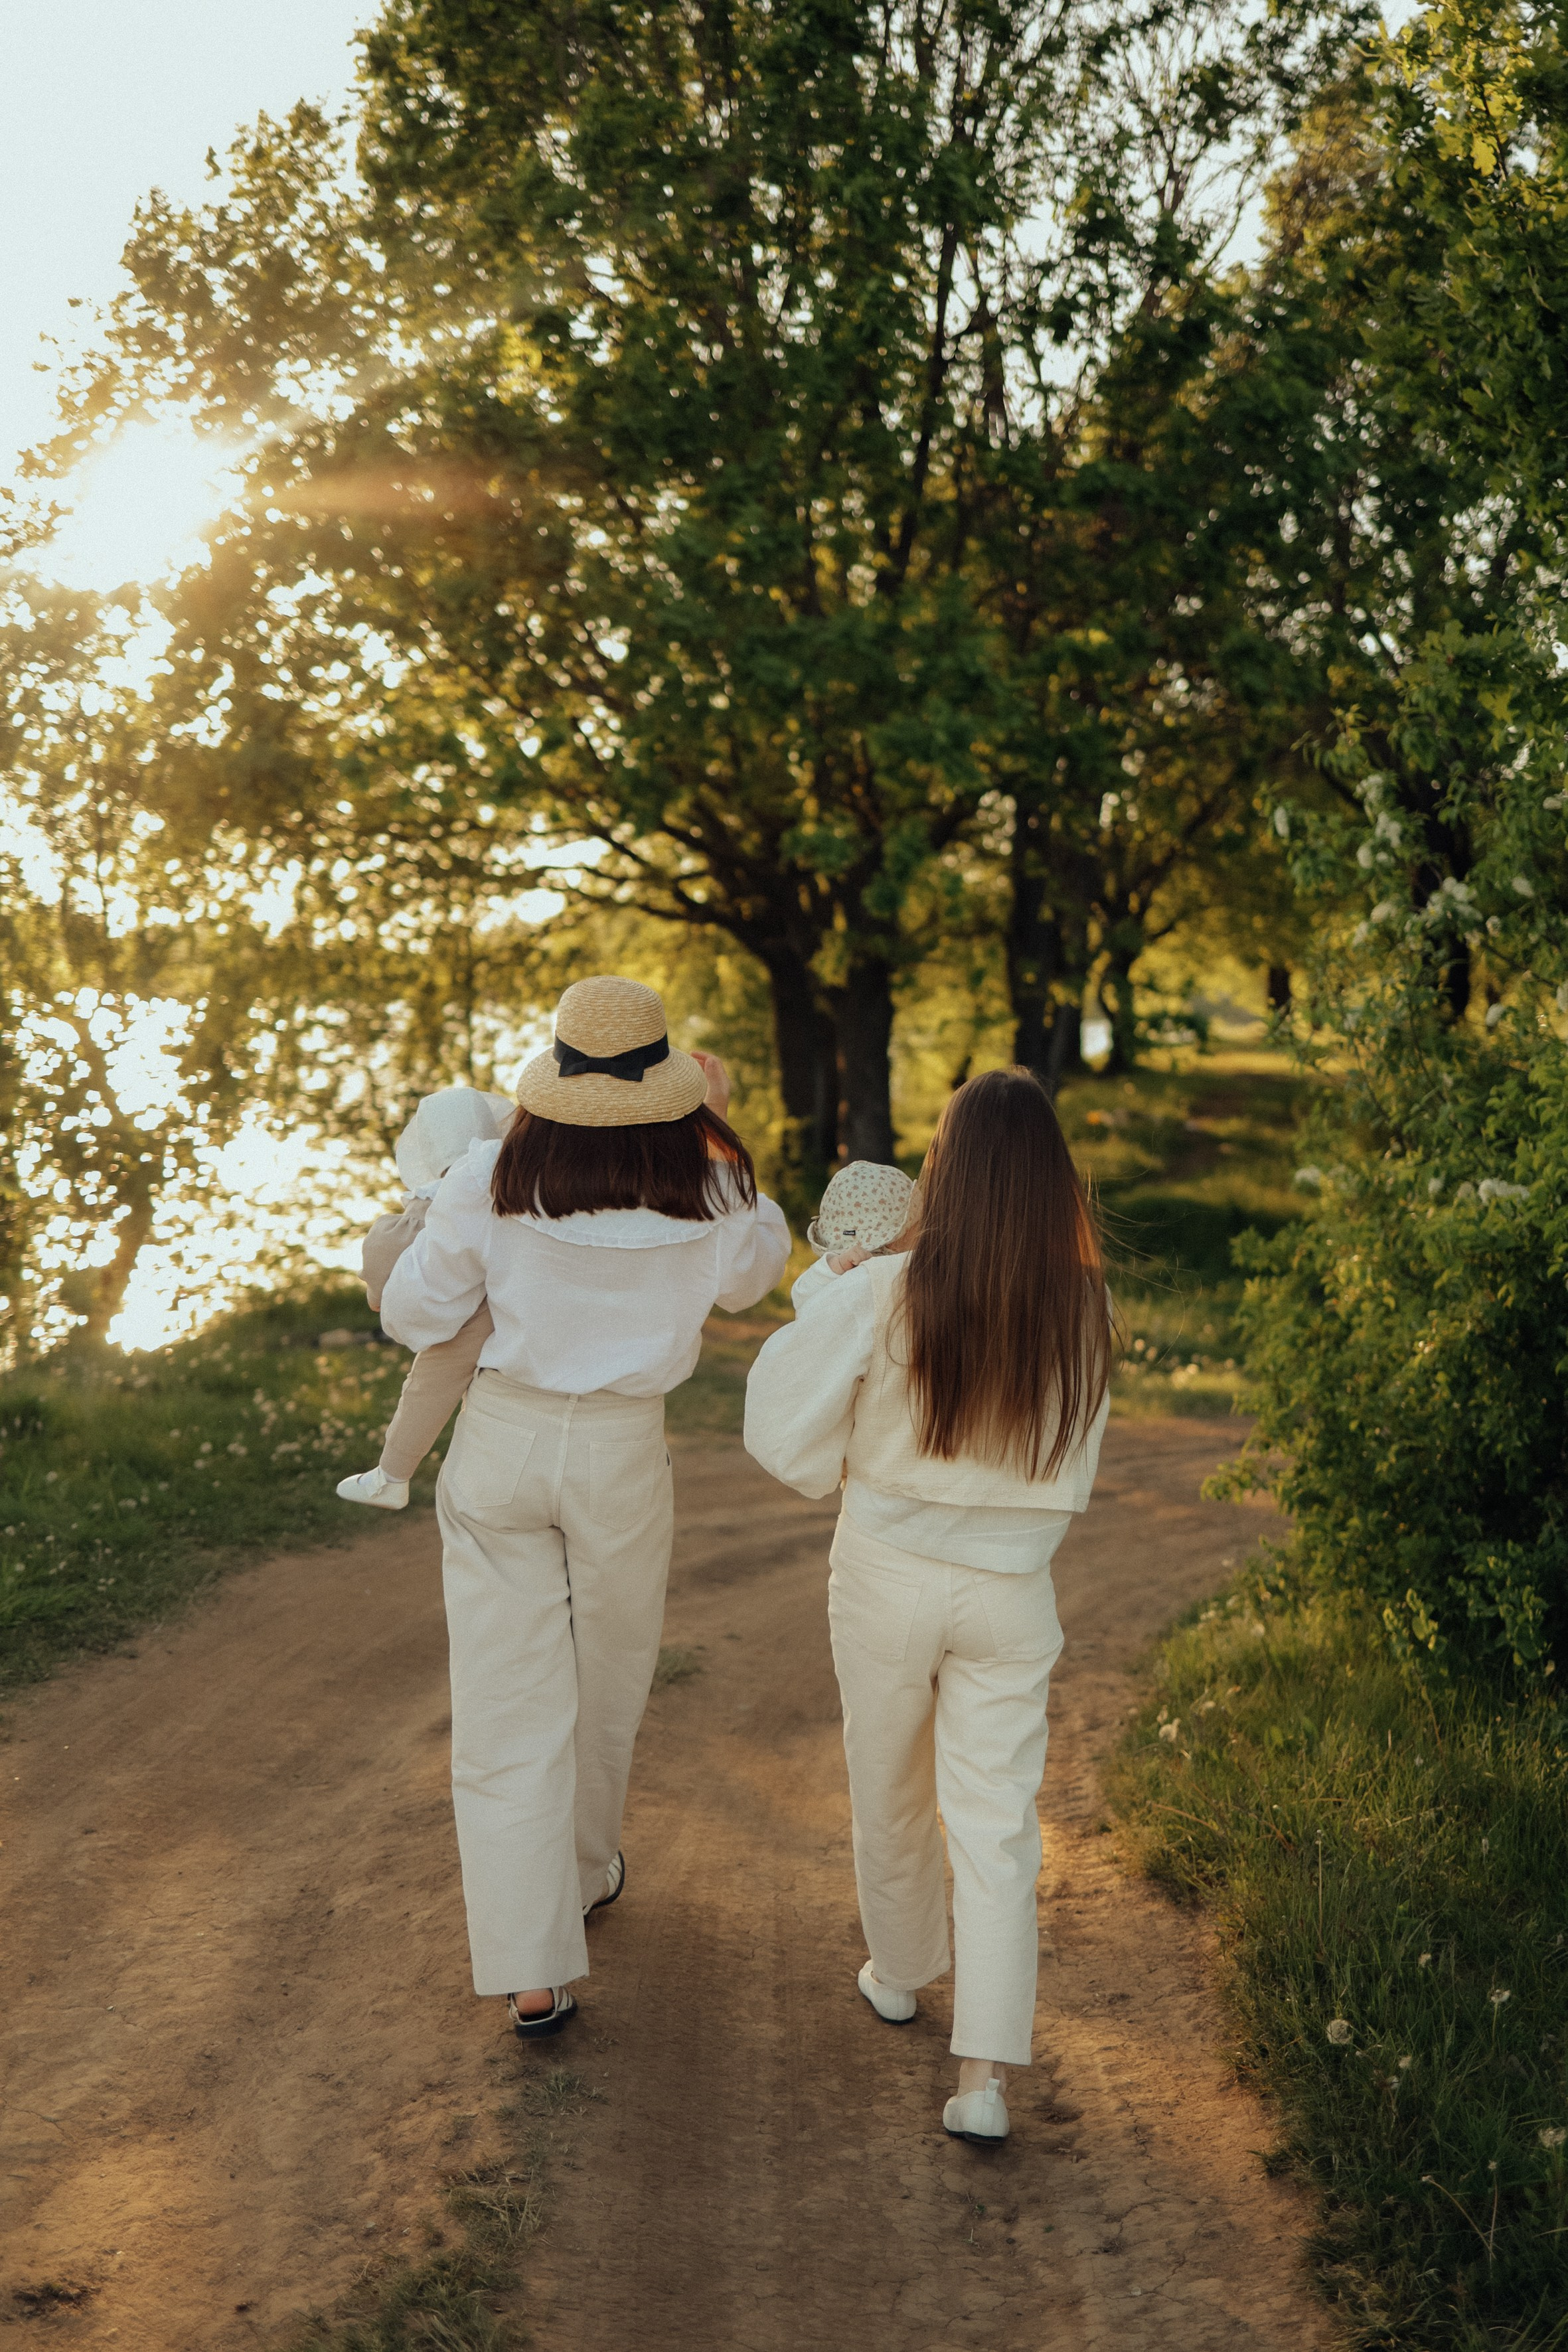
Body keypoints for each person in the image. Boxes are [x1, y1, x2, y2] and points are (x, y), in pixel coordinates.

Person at [379, 977, 791, 2037]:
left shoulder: (493, 1169)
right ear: (666, 1082)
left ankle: (531, 1967)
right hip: (620, 1448)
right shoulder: (713, 1182)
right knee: (608, 1677)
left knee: (504, 1703)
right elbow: (755, 1276)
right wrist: (716, 1126)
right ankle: (584, 1870)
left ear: (557, 1072)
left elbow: (414, 1312)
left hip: (504, 1437)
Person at [742, 1069, 1112, 2144]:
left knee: (887, 1783)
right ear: (1051, 1179)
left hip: (886, 1574)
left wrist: (829, 1286)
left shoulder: (887, 1288)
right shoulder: (1085, 1305)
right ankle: (984, 2076)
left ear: (941, 1170)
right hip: (1011, 1590)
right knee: (998, 1827)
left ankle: (900, 1972)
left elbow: (780, 1422)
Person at [337, 1087, 515, 1512]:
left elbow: (385, 1264)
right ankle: (392, 1477)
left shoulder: (429, 1203)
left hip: (473, 1316)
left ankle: (392, 1476)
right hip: (511, 1302)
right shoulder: (522, 1184)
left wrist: (378, 1291)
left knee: (429, 1385)